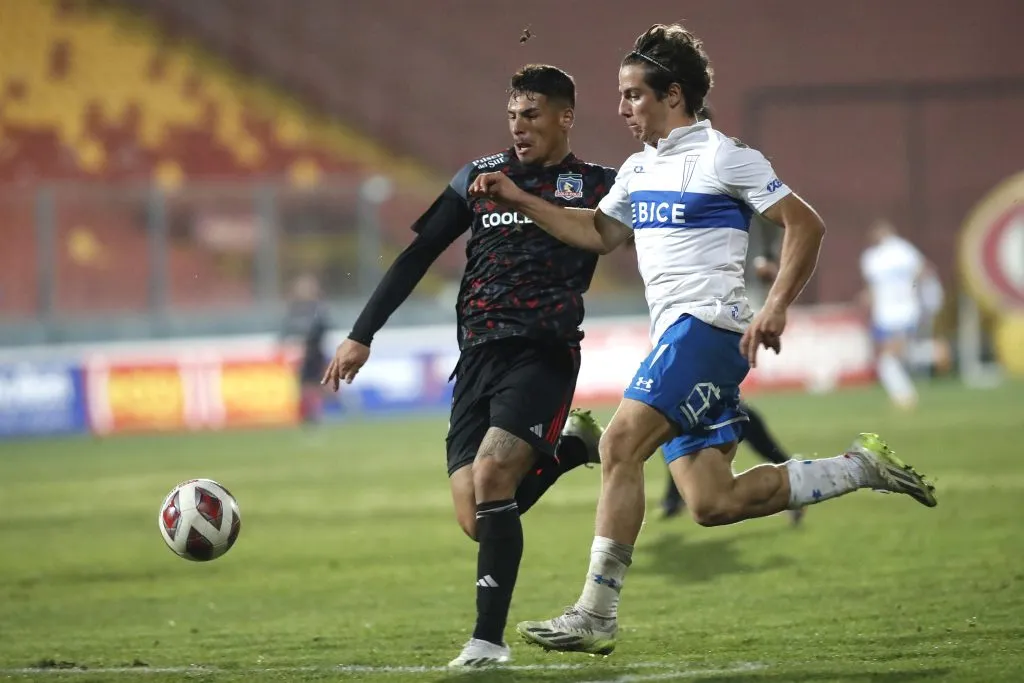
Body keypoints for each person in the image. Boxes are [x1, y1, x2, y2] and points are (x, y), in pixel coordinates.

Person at [469, 23, 938, 656]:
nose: (622, 109)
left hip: (708, 330)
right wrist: (522, 201)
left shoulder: (724, 156)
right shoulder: (638, 170)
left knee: (619, 443)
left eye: (634, 95)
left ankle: (596, 612)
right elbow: (598, 233)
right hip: (677, 337)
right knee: (713, 502)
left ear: (673, 94)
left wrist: (774, 307)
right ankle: (858, 467)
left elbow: (806, 226)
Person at [321, 64, 614, 667]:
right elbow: (418, 254)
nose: (518, 127)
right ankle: (573, 450)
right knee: (477, 519)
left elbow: (616, 237)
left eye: (531, 114)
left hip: (543, 352)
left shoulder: (595, 185)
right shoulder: (479, 177)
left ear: (565, 116)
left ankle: (487, 642)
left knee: (492, 479)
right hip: (477, 355)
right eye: (512, 115)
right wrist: (361, 335)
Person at [859, 219, 937, 407]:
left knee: (888, 358)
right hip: (891, 312)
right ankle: (905, 392)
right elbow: (924, 271)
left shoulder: (882, 255)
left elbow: (923, 272)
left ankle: (905, 395)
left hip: (898, 311)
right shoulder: (898, 252)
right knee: (893, 356)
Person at [280, 273, 330, 425]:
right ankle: (310, 415)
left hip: (314, 352)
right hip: (302, 355)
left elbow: (322, 328)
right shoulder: (296, 309)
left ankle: (316, 415)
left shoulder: (318, 308)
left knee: (315, 385)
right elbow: (287, 329)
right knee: (306, 386)